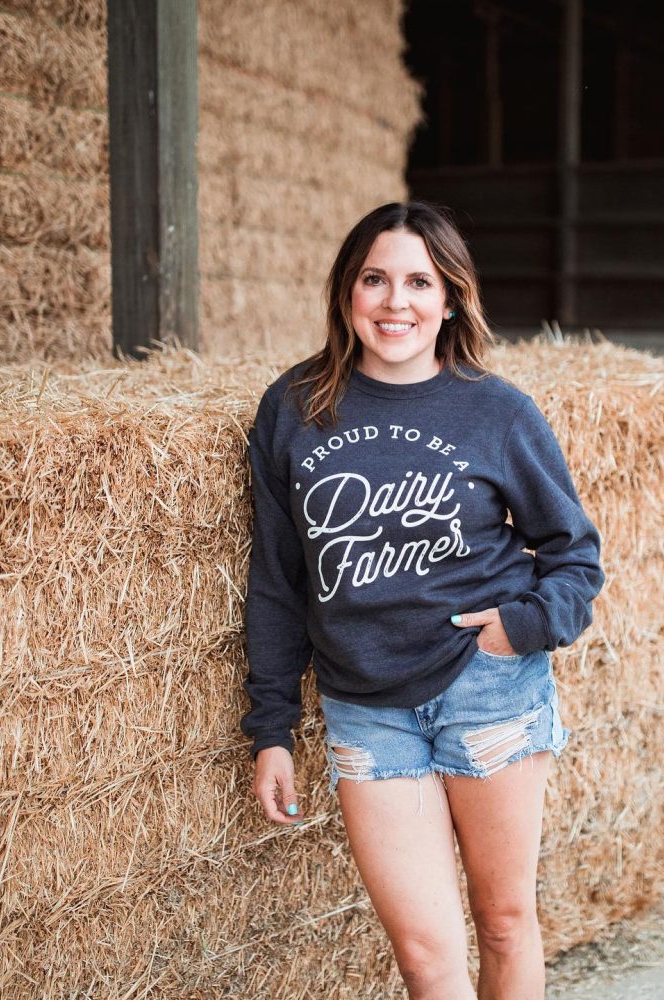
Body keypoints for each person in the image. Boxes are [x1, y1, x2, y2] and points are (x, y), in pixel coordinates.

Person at [241, 200, 605, 1000]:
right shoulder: (294, 409)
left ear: (450, 299)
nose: (395, 301)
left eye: (419, 281)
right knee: (423, 957)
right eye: (375, 279)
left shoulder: (496, 410)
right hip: (365, 706)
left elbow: (574, 553)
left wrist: (525, 625)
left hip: (488, 691)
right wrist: (270, 726)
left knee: (505, 922)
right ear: (346, 293)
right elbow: (276, 582)